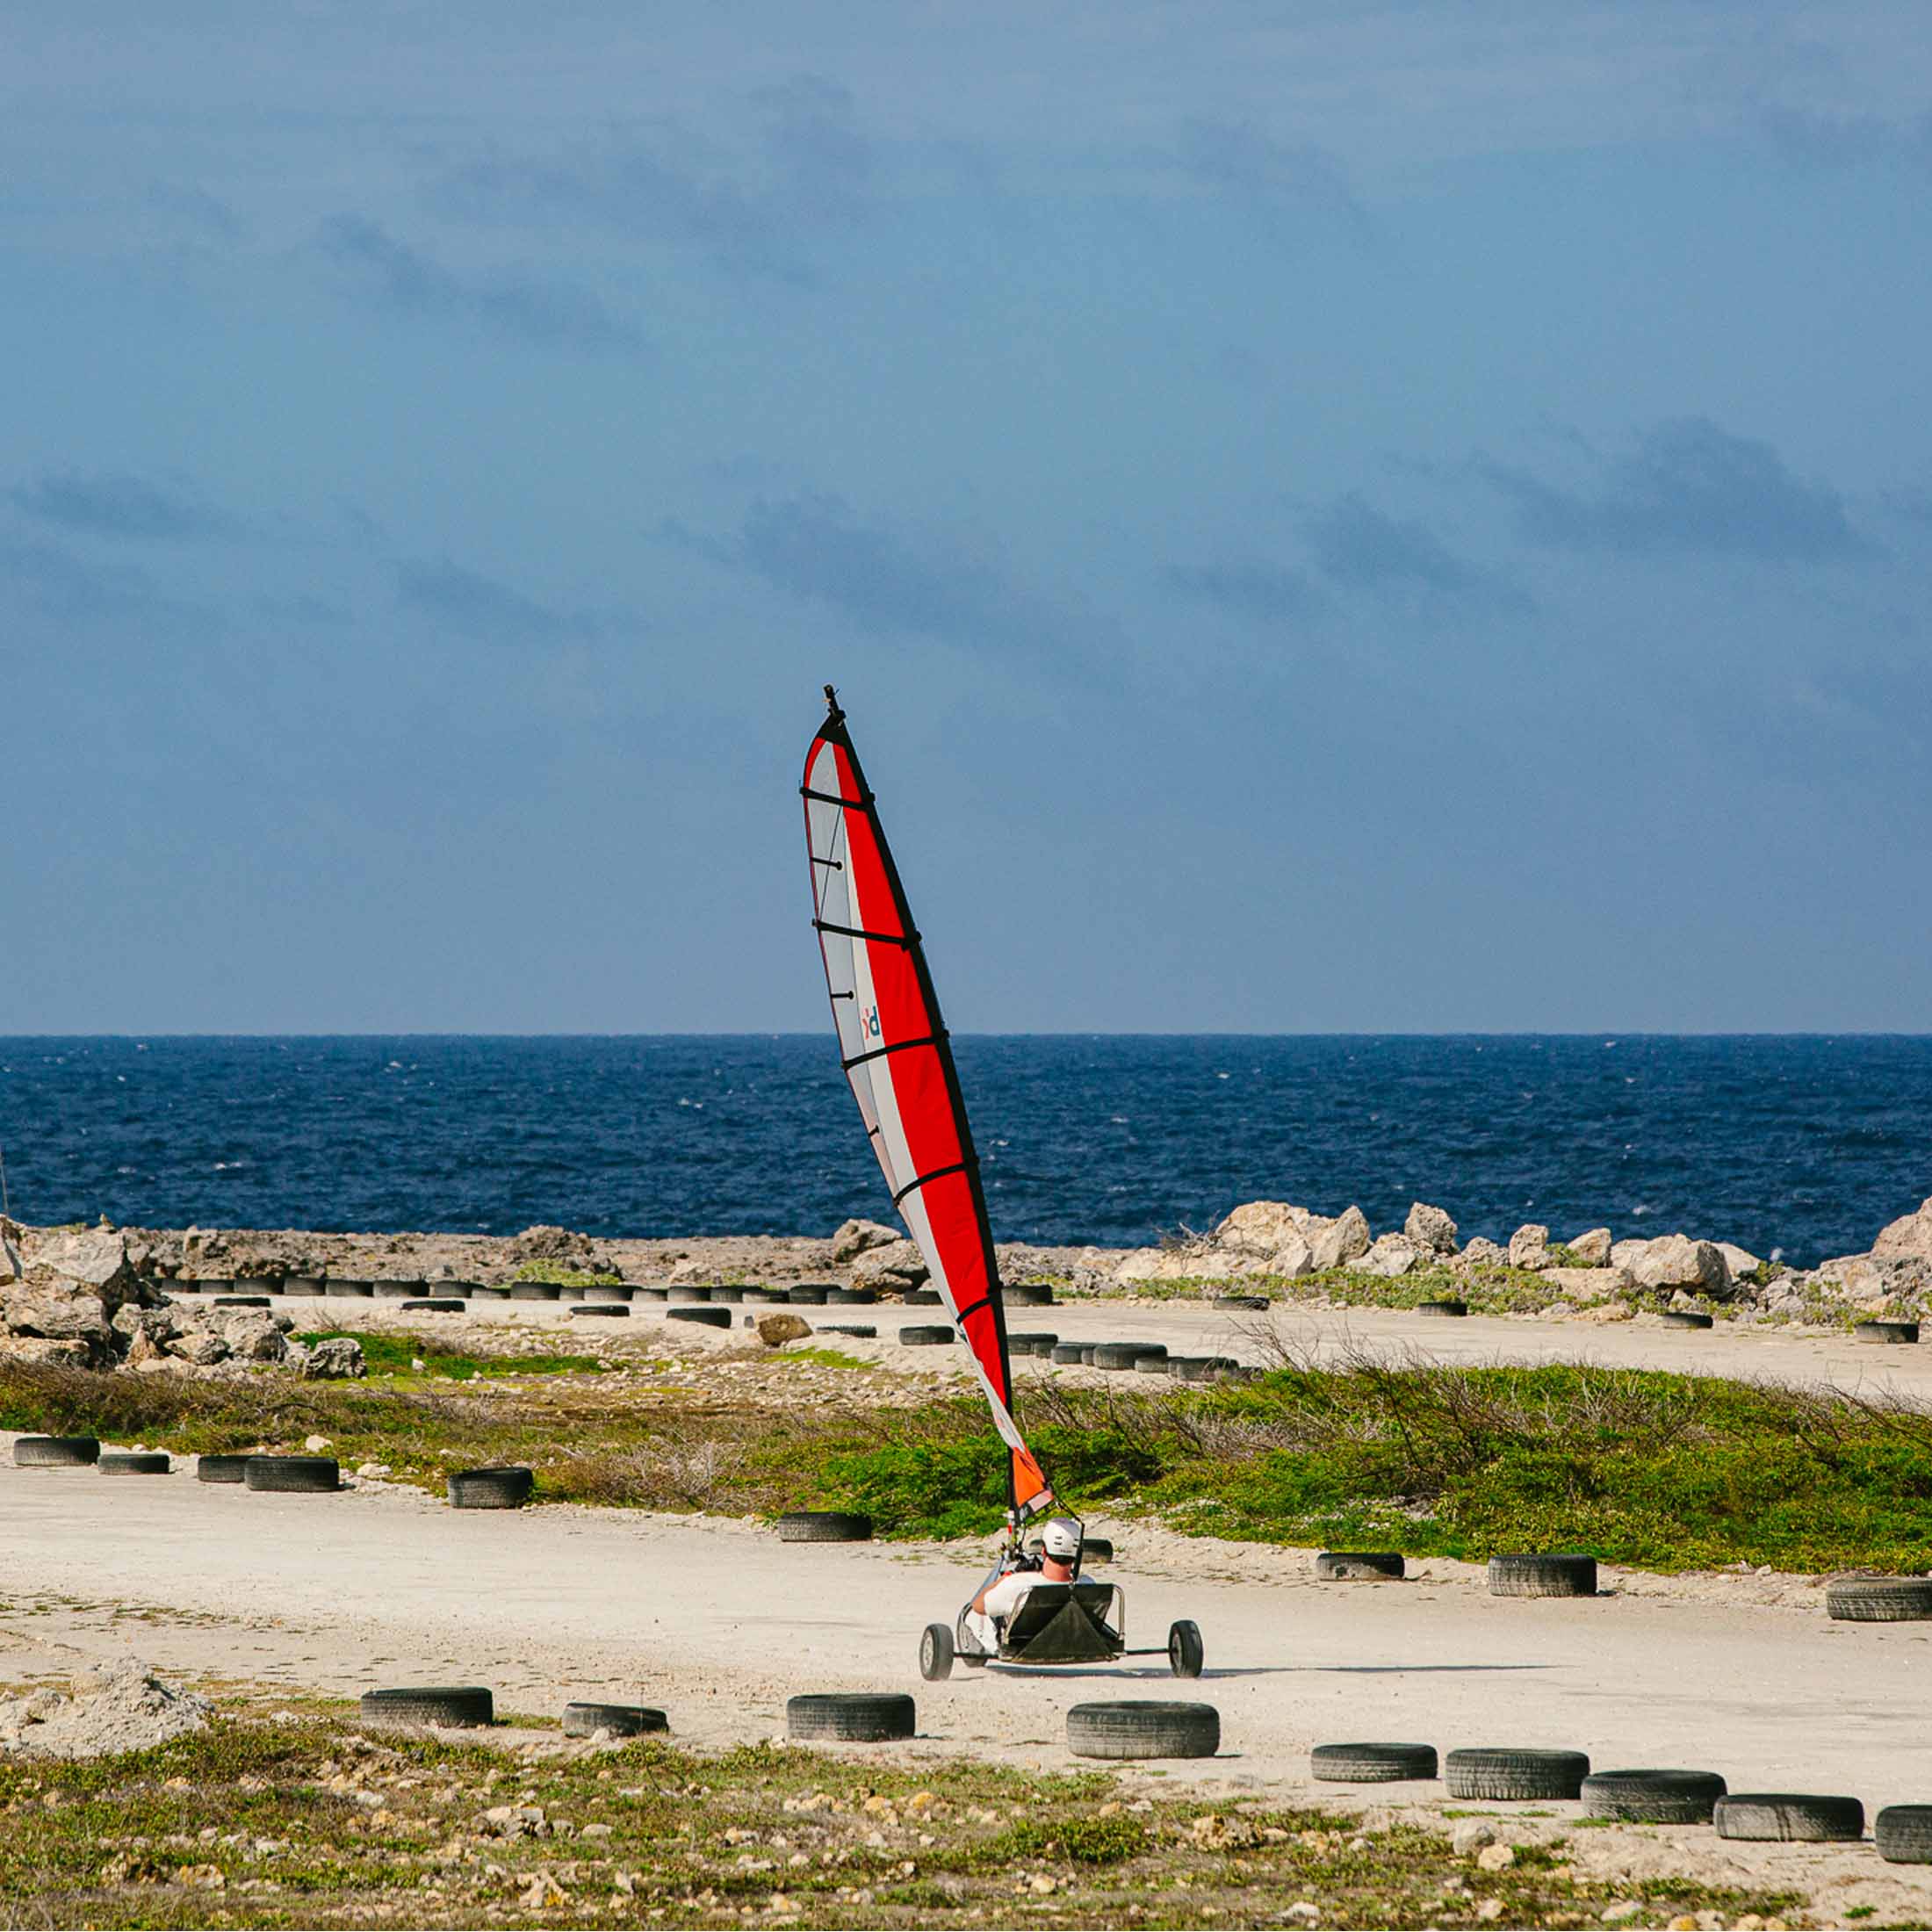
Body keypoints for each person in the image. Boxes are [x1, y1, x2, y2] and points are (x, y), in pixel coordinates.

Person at [965, 1517, 1081, 1653]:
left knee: (975, 1614)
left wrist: (1004, 1578)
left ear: (1043, 1551)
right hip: (1069, 1642)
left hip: (1024, 1646)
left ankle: (989, 1647)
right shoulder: (1086, 1584)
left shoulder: (1019, 1584)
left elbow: (978, 1606)